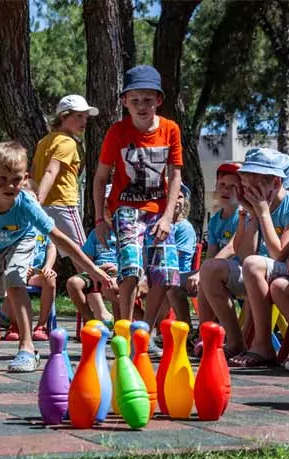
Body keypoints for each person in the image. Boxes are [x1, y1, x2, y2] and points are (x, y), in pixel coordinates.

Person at [0, 141, 113, 373]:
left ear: (25, 178)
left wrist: (92, 268)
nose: (9, 186)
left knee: (15, 280)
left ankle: (27, 348)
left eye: (16, 180)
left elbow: (58, 237)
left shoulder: (27, 204)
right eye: (2, 180)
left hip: (21, 240)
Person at [92, 65, 183, 357]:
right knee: (131, 265)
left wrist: (169, 216)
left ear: (158, 100)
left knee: (165, 272)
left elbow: (176, 174)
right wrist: (99, 218)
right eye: (135, 100)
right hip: (126, 207)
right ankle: (126, 327)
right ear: (124, 102)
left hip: (158, 210)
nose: (142, 106)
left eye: (148, 99)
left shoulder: (170, 129)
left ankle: (146, 329)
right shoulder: (117, 132)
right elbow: (100, 177)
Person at [227, 148, 289, 368]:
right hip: (284, 275)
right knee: (215, 268)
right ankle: (235, 341)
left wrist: (262, 213)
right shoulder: (263, 207)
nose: (249, 191)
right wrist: (251, 215)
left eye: (255, 186)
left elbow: (279, 252)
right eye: (246, 185)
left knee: (255, 265)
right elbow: (245, 254)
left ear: (276, 183)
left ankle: (262, 345)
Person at [32, 94, 98, 252]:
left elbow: (33, 173)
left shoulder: (44, 142)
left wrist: (35, 202)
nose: (84, 122)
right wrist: (37, 202)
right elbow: (50, 171)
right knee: (84, 255)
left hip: (45, 207)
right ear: (63, 116)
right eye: (79, 116)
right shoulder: (67, 142)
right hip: (63, 205)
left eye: (86, 117)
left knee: (43, 254)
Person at [196, 163, 242, 352]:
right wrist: (201, 272)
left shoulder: (242, 214)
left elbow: (233, 246)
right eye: (223, 185)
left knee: (206, 276)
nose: (226, 190)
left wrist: (203, 271)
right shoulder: (215, 219)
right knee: (191, 282)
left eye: (233, 187)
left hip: (241, 270)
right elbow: (212, 252)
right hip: (221, 272)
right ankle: (202, 334)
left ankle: (221, 336)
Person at [3, 226, 57, 342]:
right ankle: (14, 325)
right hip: (16, 269)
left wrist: (48, 267)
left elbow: (51, 247)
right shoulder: (14, 223)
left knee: (50, 279)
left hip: (36, 273)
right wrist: (20, 266)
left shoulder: (43, 224)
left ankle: (41, 327)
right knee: (13, 277)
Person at [66, 216, 120, 325]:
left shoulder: (128, 233)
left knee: (113, 287)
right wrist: (94, 269)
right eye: (106, 209)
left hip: (118, 271)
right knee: (73, 283)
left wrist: (117, 268)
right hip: (97, 271)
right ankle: (92, 324)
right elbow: (87, 259)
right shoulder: (96, 233)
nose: (110, 213)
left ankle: (119, 327)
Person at [164, 184, 197, 328]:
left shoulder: (184, 227)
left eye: (180, 197)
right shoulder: (160, 224)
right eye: (172, 196)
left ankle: (183, 329)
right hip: (163, 271)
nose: (176, 200)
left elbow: (173, 257)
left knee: (165, 283)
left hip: (178, 272)